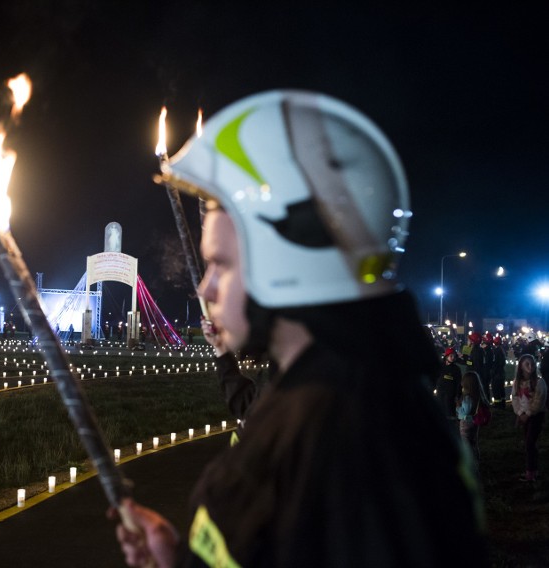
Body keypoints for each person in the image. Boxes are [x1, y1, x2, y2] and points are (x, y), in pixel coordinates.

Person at [112, 91, 485, 566]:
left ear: (287, 265)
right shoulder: (334, 396)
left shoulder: (349, 444)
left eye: (221, 265)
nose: (205, 288)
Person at [511, 353, 547, 482]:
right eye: (526, 364)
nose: (530, 366)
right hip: (524, 416)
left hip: (535, 416)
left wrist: (529, 413)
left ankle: (531, 472)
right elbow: (514, 398)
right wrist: (520, 413)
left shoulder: (539, 382)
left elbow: (539, 400)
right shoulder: (518, 383)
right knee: (528, 442)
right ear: (521, 366)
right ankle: (533, 470)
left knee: (529, 443)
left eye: (532, 363)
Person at [457, 370, 489, 463]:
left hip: (466, 424)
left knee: (466, 444)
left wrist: (458, 408)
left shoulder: (468, 398)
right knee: (474, 442)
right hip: (474, 423)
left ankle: (470, 462)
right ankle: (476, 459)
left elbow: (465, 412)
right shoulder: (477, 395)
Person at [437, 346, 463, 426]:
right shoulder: (440, 366)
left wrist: (458, 395)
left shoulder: (456, 369)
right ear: (446, 356)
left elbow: (459, 384)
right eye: (451, 356)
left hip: (450, 395)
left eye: (454, 356)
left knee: (450, 412)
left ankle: (451, 427)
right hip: (440, 393)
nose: (453, 358)